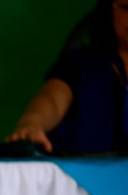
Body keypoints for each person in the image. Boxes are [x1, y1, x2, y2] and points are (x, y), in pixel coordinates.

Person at [8, 0, 128, 153]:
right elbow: (52, 100)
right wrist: (31, 124)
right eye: (126, 7)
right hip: (86, 173)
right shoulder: (82, 65)